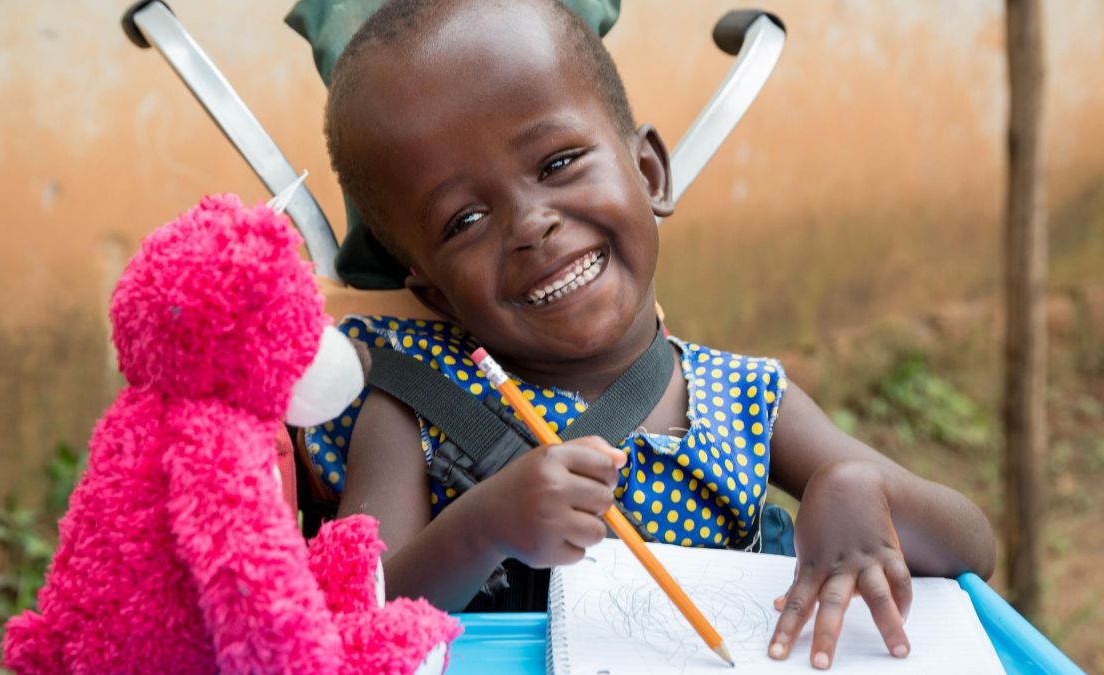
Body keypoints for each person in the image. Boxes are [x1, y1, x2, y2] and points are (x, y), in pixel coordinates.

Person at [306, 0, 997, 668]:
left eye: (556, 164)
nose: (530, 225)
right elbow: (356, 618)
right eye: (464, 220)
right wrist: (484, 528)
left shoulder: (744, 398)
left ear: (648, 171)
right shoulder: (414, 401)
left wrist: (865, 492)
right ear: (430, 286)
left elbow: (974, 547)